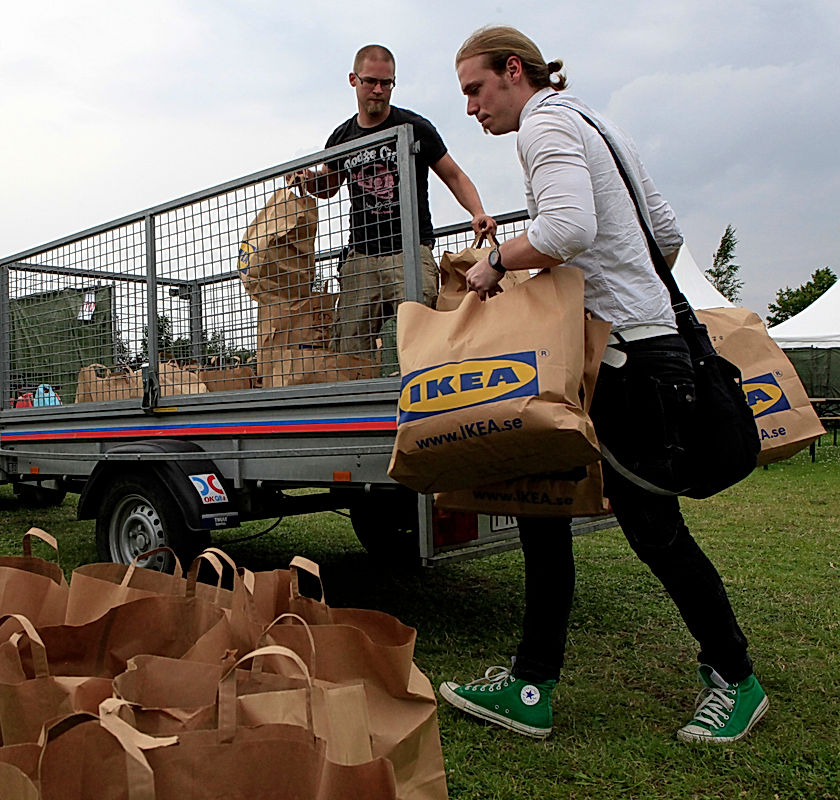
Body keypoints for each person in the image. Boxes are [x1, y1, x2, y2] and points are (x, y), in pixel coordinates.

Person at [440, 25, 768, 743]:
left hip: (630, 365)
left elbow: (565, 227)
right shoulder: (594, 121)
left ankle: (737, 678)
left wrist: (497, 261)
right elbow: (667, 232)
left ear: (514, 72)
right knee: (543, 508)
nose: (470, 108)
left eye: (475, 89)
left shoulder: (543, 125)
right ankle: (531, 683)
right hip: (627, 350)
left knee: (655, 531)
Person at [297, 44, 496, 358]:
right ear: (353, 80)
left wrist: (478, 212)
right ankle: (361, 407)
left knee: (423, 344)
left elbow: (454, 175)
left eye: (386, 83)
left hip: (410, 253)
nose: (378, 90)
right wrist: (308, 181)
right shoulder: (342, 137)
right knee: (349, 349)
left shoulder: (414, 126)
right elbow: (329, 186)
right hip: (361, 255)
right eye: (371, 82)